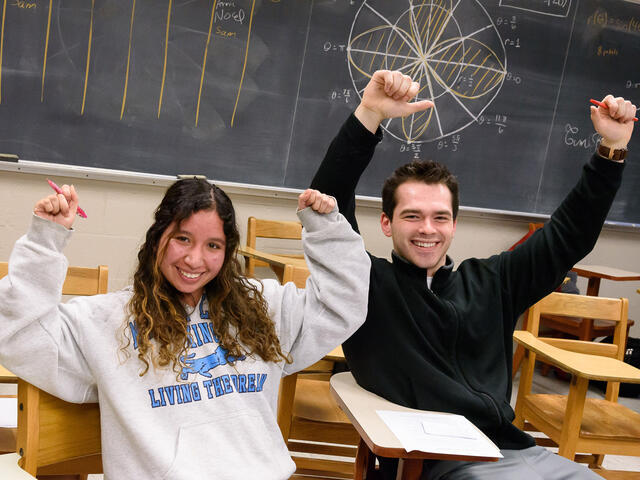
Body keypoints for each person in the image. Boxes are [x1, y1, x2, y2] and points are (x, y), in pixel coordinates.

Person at [310, 70, 636, 480]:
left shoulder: (492, 282)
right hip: (433, 462)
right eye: (412, 216)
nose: (428, 229)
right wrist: (370, 113)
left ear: (454, 225)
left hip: (514, 451)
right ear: (387, 224)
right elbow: (327, 206)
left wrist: (613, 147)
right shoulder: (366, 283)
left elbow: (570, 234)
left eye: (440, 217)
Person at [0, 179, 370, 479]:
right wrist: (46, 239)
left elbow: (344, 304)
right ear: (157, 237)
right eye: (182, 239)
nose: (195, 260)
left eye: (213, 245)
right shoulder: (108, 321)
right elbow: (19, 335)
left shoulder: (263, 309)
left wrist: (327, 231)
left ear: (228, 252)